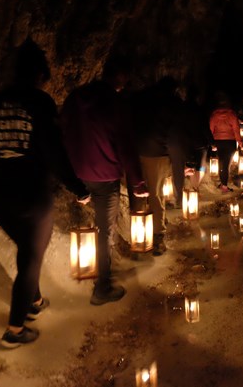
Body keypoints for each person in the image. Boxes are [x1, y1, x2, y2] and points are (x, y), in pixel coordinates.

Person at [0, 39, 89, 348]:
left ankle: (35, 299)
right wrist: (78, 188)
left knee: (27, 250)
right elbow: (54, 152)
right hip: (31, 195)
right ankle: (15, 330)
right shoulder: (40, 103)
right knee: (30, 257)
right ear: (40, 75)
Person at [61, 55, 148, 304]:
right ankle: (102, 288)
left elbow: (62, 129)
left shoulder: (76, 98)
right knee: (104, 232)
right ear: (120, 78)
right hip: (104, 175)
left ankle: (87, 271)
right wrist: (137, 183)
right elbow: (126, 146)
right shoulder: (115, 103)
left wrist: (69, 172)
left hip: (77, 173)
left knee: (89, 225)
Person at [132, 76, 186, 256]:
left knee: (138, 192)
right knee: (156, 195)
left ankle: (139, 233)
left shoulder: (141, 98)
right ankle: (157, 235)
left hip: (135, 149)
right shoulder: (171, 103)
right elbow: (176, 132)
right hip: (156, 152)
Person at [209, 92, 243, 192]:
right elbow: (236, 129)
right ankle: (224, 185)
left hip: (218, 141)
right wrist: (240, 141)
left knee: (221, 163)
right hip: (230, 142)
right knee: (226, 163)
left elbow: (210, 130)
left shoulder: (214, 115)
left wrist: (212, 143)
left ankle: (223, 183)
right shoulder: (232, 114)